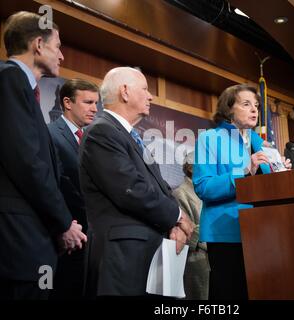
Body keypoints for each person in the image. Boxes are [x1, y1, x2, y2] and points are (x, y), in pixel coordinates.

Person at [79, 67, 194, 298]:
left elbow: (160, 186)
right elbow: (132, 190)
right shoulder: (102, 132)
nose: (150, 96)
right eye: (145, 89)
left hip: (147, 254)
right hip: (123, 259)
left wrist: (175, 225)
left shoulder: (130, 135)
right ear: (125, 92)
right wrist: (179, 217)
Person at [0, 11, 87, 300]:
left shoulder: (22, 87)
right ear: (38, 44)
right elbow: (27, 163)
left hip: (30, 237)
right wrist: (64, 222)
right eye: (57, 46)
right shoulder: (9, 80)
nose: (61, 56)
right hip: (18, 240)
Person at [193, 84, 290, 300]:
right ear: (229, 109)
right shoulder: (210, 138)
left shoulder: (263, 144)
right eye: (246, 104)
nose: (254, 110)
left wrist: (282, 172)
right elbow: (203, 187)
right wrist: (243, 172)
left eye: (256, 105)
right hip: (228, 232)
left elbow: (271, 189)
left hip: (264, 233)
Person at [48, 79, 99, 299]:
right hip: (63, 239)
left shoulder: (92, 141)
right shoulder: (49, 134)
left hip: (91, 241)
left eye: (96, 103)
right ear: (67, 102)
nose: (95, 109)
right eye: (88, 102)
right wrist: (63, 226)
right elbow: (49, 186)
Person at [173, 152, 209, 300]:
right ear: (191, 169)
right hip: (197, 259)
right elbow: (185, 231)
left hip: (215, 256)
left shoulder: (207, 190)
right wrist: (213, 231)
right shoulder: (180, 193)